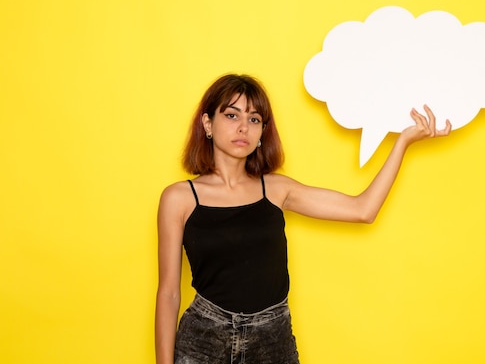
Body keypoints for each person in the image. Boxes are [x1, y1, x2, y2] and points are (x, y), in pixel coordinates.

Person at [155, 73, 451, 364]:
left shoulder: (277, 189)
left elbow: (363, 209)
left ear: (262, 132)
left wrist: (403, 142)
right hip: (204, 341)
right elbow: (168, 292)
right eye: (232, 116)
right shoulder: (179, 198)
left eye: (254, 119)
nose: (243, 127)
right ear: (208, 124)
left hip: (272, 340)